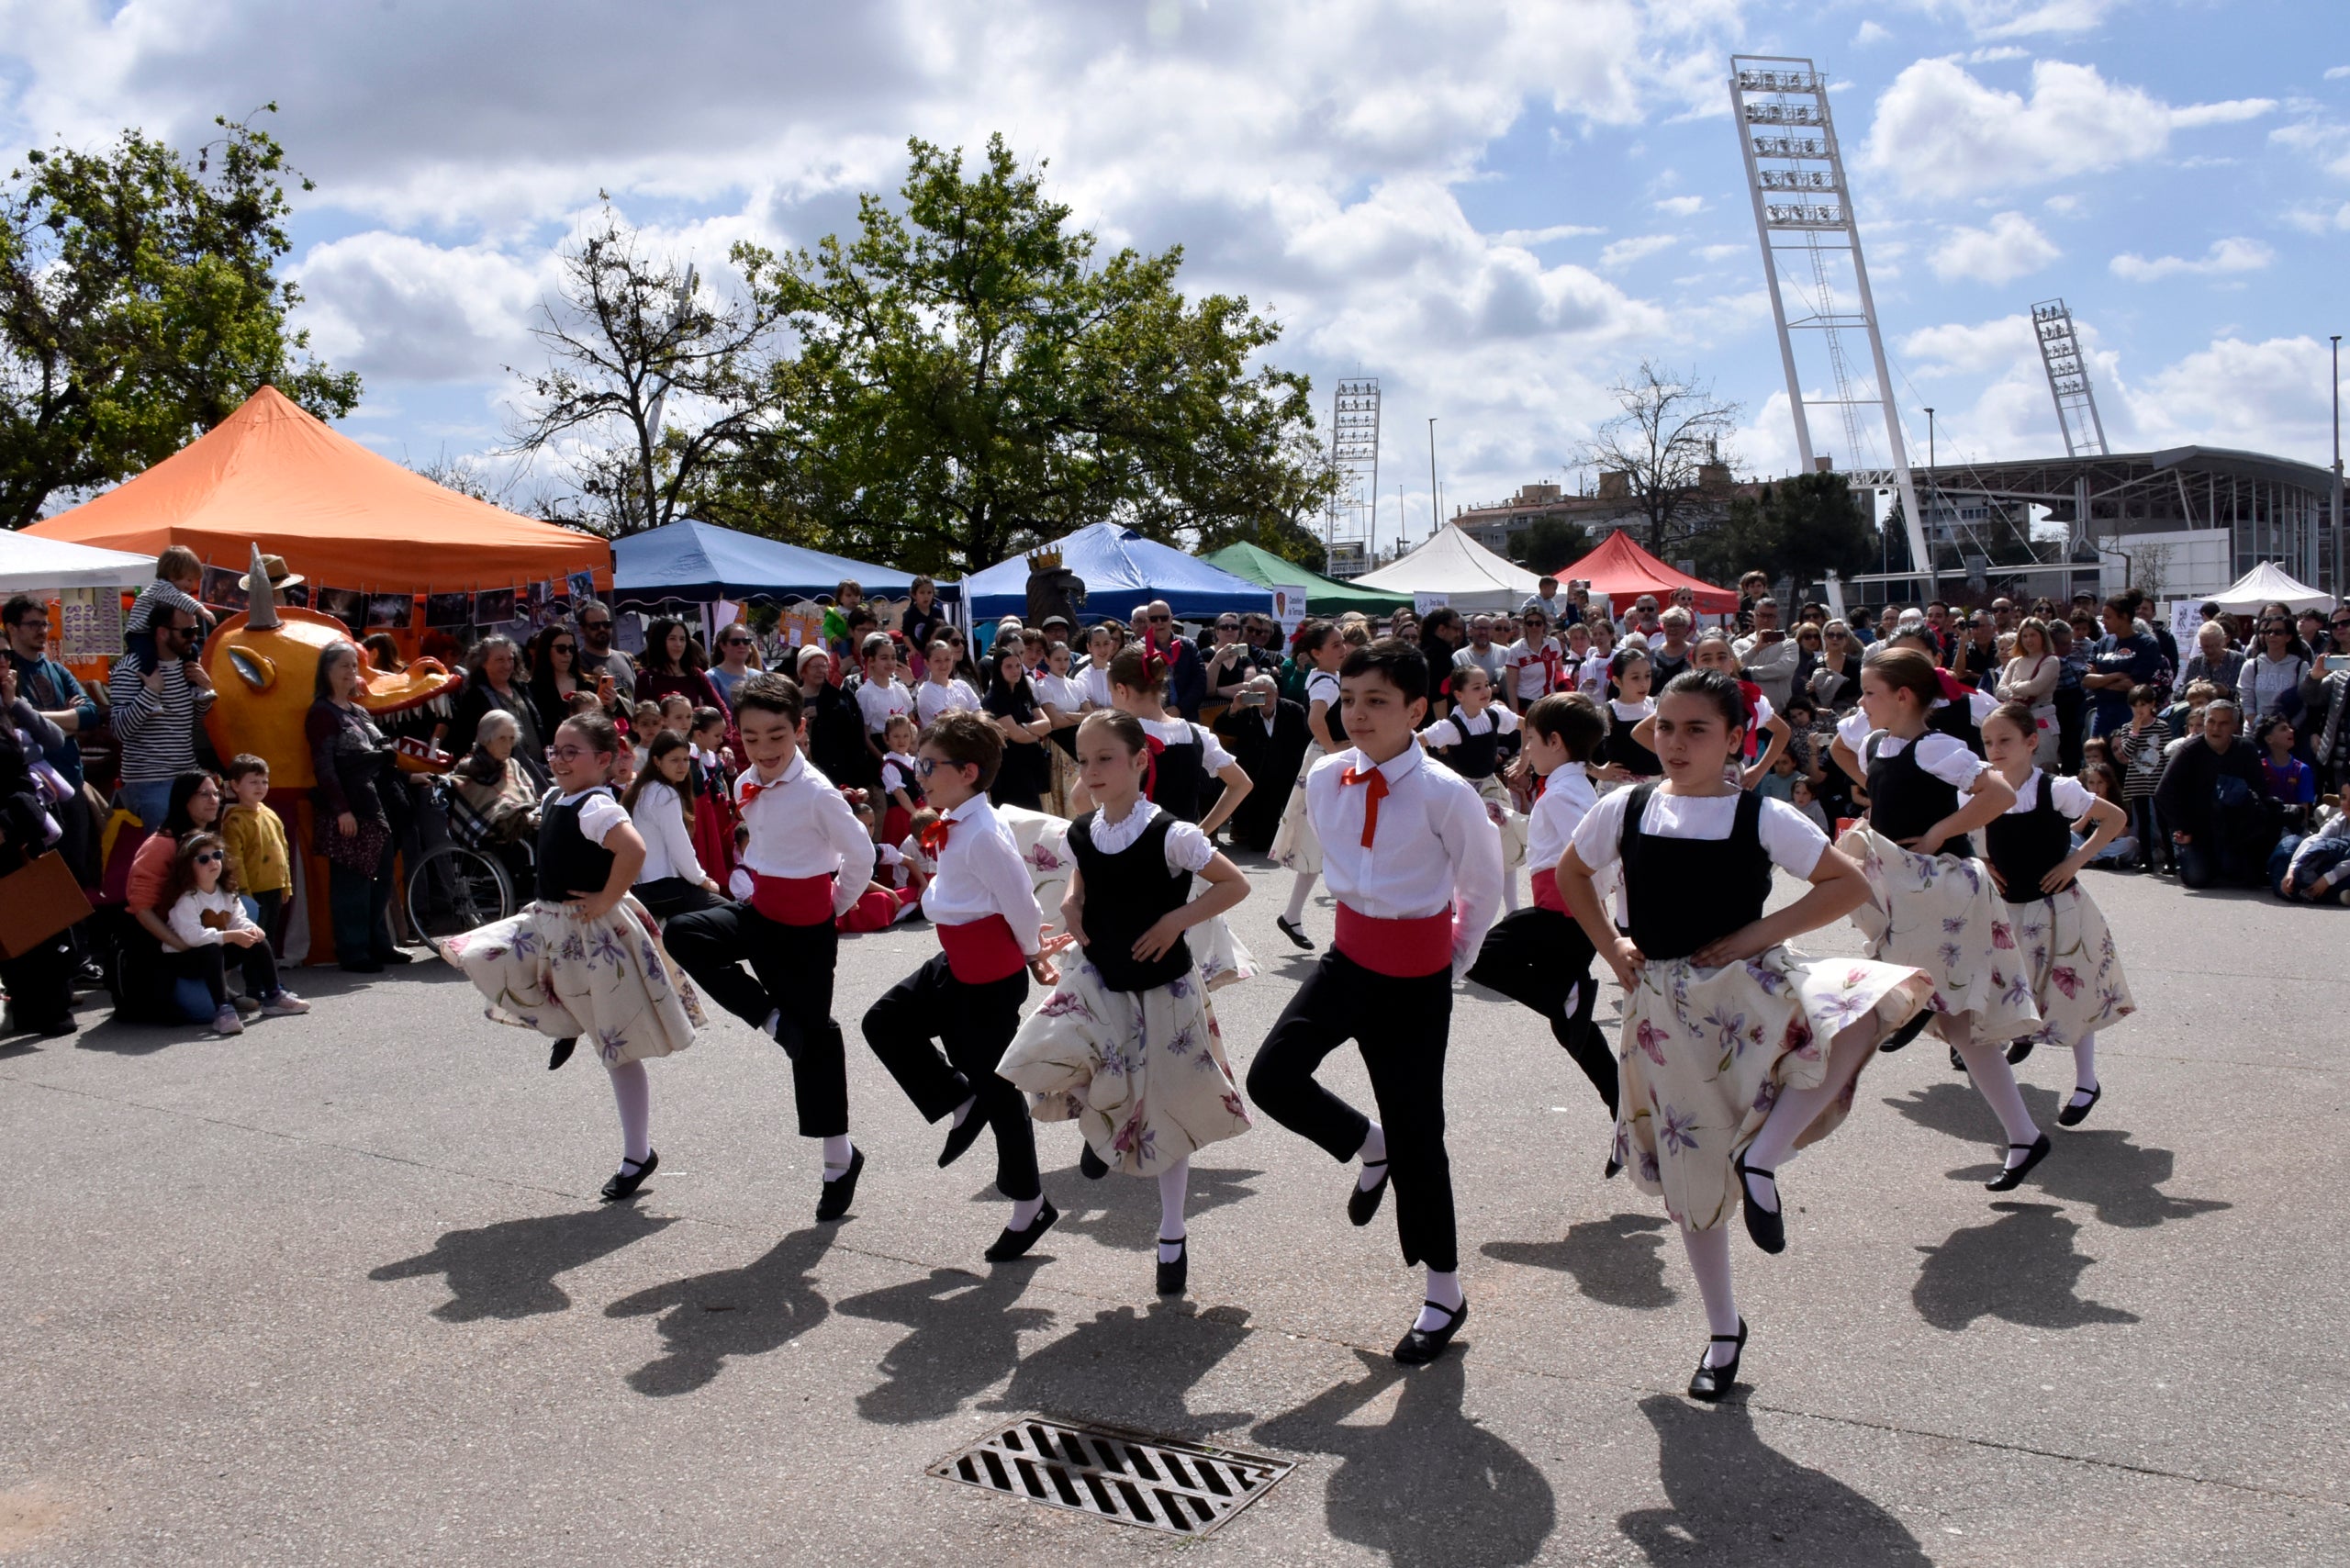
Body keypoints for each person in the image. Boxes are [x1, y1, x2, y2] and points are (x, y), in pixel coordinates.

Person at [1557, 667, 1929, 1401]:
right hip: (1665, 1008)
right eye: (1665, 726)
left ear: (1735, 740)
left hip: (1748, 988)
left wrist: (1756, 934)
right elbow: (1572, 876)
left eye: (1696, 729)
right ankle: (1724, 1332)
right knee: (1694, 1177)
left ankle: (1763, 1156)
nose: (1675, 742)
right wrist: (1614, 947)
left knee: (1865, 1007)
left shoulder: (1760, 814)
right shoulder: (1625, 807)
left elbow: (1847, 886)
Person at [1245, 638, 1502, 1364]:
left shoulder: (1448, 793)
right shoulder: (1326, 777)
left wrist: (1451, 958)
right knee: (1272, 1077)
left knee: (1422, 1133)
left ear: (1418, 710)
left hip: (1416, 979)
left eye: (1377, 702)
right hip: (1346, 959)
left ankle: (1443, 1292)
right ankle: (1367, 1145)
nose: (1357, 715)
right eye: (1349, 700)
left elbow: (1480, 889)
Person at [997, 709, 1254, 1294]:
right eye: (1084, 761)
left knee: (1169, 1110)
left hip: (1163, 987)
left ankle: (1171, 1232)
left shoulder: (1173, 833)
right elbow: (1083, 872)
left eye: (1105, 758)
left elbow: (1235, 883)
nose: (1091, 771)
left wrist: (1175, 921)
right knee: (1041, 1057)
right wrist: (1070, 901)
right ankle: (1102, 1121)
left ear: (1141, 761)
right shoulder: (1084, 827)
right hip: (1095, 975)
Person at [443, 711, 704, 1200]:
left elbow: (633, 850)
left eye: (571, 752)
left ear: (603, 760)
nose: (559, 760)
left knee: (618, 1049)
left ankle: (636, 1154)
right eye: (555, 751)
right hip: (551, 922)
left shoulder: (596, 807)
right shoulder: (556, 796)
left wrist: (605, 900)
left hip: (590, 931)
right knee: (484, 954)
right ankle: (566, 1021)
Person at [1831, 646, 2052, 1188]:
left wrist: (1939, 831)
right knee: (1959, 1026)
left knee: (1871, 1002)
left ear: (1902, 697)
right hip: (1906, 889)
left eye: (1869, 693)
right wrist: (1873, 807)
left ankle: (1772, 1140)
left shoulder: (1936, 747)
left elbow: (1998, 791)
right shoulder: (1880, 742)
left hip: (1940, 891)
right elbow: (1844, 750)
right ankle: (2025, 1136)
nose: (1862, 702)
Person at [662, 673, 878, 1221]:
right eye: (752, 738)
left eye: (776, 736)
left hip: (806, 930)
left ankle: (838, 1160)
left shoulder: (818, 793)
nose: (764, 750)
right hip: (759, 913)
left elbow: (862, 856)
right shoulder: (744, 783)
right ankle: (768, 1018)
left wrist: (832, 905)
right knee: (684, 932)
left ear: (799, 731)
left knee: (816, 1040)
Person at [863, 711, 1070, 1260]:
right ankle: (959, 1097)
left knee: (1000, 1092)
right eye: (918, 762)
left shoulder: (980, 832)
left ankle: (1030, 1205)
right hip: (956, 963)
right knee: (883, 1022)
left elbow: (1021, 901)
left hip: (987, 979)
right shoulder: (955, 819)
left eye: (930, 765)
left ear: (969, 771)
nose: (920, 773)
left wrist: (1032, 956)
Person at [1465, 693, 1615, 1149]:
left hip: (1562, 911)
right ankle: (1625, 1112)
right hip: (1567, 912)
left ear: (1555, 740)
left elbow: (1585, 853)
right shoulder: (1567, 787)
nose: (1526, 750)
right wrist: (1510, 817)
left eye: (1530, 741)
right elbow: (1559, 839)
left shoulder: (1566, 791)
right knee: (1575, 1030)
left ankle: (1566, 995)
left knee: (1477, 955)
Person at [1977, 702, 2132, 1130]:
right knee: (2011, 981)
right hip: (2008, 907)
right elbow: (1965, 830)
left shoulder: (2057, 789)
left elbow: (2115, 818)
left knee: (2072, 991)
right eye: (1988, 741)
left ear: (2031, 742)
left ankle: (2086, 1082)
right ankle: (2020, 1034)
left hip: (2058, 905)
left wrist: (2074, 862)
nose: (1995, 749)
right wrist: (1985, 861)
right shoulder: (1982, 789)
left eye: (2005, 740)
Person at [308, 642, 409, 973]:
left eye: (355, 666)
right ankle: (353, 950)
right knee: (353, 880)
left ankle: (378, 942)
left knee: (380, 878)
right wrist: (342, 810)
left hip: (375, 802)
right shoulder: (322, 712)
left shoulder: (358, 710)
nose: (352, 672)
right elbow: (324, 766)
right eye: (344, 666)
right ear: (327, 671)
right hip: (350, 804)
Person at [162, 830, 307, 1032]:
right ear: (188, 867)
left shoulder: (227, 892)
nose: (213, 862)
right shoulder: (187, 898)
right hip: (185, 958)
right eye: (204, 859)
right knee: (211, 949)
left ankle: (273, 996)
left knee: (256, 940)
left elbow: (238, 920)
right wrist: (230, 936)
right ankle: (223, 1010)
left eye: (217, 856)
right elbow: (191, 937)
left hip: (214, 953)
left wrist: (252, 931)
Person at [1416, 664, 1527, 907]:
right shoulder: (1451, 726)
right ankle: (1452, 906)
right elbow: (1416, 741)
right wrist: (1426, 774)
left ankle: (1512, 909)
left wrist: (1524, 761)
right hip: (1462, 791)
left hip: (1490, 788)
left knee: (1505, 842)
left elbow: (1527, 725)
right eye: (1476, 687)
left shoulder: (1495, 715)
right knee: (1458, 848)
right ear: (1459, 694)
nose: (1485, 690)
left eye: (1486, 684)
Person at [1270, 620, 1348, 949]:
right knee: (1333, 841)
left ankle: (1292, 915)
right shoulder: (1327, 683)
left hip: (1325, 758)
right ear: (1316, 653)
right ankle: (1342, 929)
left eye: (1343, 643)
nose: (1343, 649)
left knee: (1326, 843)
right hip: (1327, 761)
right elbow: (1315, 720)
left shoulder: (1328, 677)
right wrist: (1335, 753)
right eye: (1336, 645)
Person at [0, 698, 75, 1034]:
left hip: (16, 833)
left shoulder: (6, 711)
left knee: (39, 923)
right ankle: (30, 1007)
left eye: (4, 657)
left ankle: (49, 1009)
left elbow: (22, 773)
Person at [109, 599, 216, 827]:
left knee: (195, 853)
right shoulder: (131, 669)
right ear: (162, 633)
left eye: (195, 630)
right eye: (187, 632)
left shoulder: (188, 666)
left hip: (186, 776)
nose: (194, 638)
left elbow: (189, 726)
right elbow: (119, 730)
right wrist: (150, 693)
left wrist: (205, 692)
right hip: (150, 780)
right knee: (167, 855)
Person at [2154, 700, 2274, 889]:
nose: (2215, 728)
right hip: (2197, 829)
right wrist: (2182, 828)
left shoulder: (2246, 749)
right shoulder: (2189, 751)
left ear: (2235, 726)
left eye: (2223, 723)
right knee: (2196, 878)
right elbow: (2163, 792)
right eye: (2211, 721)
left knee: (2245, 877)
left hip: (2235, 829)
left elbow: (2260, 791)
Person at [623, 731, 724, 921]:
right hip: (669, 888)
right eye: (674, 760)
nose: (682, 766)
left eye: (686, 759)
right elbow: (680, 847)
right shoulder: (665, 794)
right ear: (657, 761)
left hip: (645, 889)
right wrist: (702, 881)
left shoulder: (642, 789)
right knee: (729, 915)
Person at [1214, 673, 1310, 856]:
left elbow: (1305, 739)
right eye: (1259, 696)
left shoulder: (1294, 711)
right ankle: (1253, 829)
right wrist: (1234, 707)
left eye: (1269, 695)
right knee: (1260, 843)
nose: (1265, 700)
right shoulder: (1246, 712)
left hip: (1287, 774)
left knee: (1296, 830)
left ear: (1276, 694)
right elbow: (1222, 726)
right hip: (1258, 779)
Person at [447, 635, 548, 789]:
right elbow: (463, 742)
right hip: (500, 779)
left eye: (510, 659)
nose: (507, 665)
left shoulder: (522, 689)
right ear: (483, 663)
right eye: (500, 660)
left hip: (536, 772)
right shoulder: (475, 698)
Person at [218, 755, 292, 949]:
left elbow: (283, 848)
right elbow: (234, 860)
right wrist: (245, 893)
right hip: (254, 890)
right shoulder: (234, 821)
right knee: (254, 937)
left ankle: (269, 976)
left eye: (264, 781)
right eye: (253, 782)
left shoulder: (270, 814)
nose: (260, 787)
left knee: (270, 934)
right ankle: (256, 978)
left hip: (275, 886)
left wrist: (286, 884)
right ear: (235, 785)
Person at [980, 644, 1052, 810]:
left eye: (1018, 665)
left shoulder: (1024, 692)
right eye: (1009, 666)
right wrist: (1034, 732)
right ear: (999, 669)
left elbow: (1047, 724)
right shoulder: (994, 699)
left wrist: (1025, 726)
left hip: (1031, 762)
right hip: (1010, 768)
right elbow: (1016, 735)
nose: (1015, 670)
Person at [2084, 595, 2162, 739]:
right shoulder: (2102, 643)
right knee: (2098, 755)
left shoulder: (2146, 644)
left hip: (2130, 713)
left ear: (2124, 617)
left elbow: (2132, 684)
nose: (2103, 621)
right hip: (2103, 713)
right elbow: (2087, 680)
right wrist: (2117, 676)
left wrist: (2099, 682)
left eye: (2108, 617)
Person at [2114, 685, 2172, 874]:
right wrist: (2135, 730)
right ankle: (2146, 859)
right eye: (2135, 705)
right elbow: (2127, 752)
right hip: (2138, 779)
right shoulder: (2127, 728)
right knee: (2143, 822)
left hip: (2158, 780)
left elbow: (2166, 755)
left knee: (2163, 822)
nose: (2139, 710)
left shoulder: (2161, 726)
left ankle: (2171, 860)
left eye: (2144, 704)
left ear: (2152, 704)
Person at [637, 617, 730, 725]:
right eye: (672, 638)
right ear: (660, 641)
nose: (678, 644)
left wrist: (724, 738)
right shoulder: (646, 677)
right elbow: (641, 719)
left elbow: (722, 710)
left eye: (682, 639)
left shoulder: (695, 674)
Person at [2001, 618, 2062, 769]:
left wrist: (2014, 686)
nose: (2029, 640)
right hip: (2017, 721)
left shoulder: (2051, 661)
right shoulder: (2015, 662)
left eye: (2033, 635)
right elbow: (2000, 689)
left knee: (2044, 768)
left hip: (2041, 720)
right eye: (2025, 636)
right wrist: (2017, 692)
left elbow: (2035, 687)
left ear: (2042, 636)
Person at [855, 631, 912, 786]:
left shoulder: (900, 688)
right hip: (881, 753)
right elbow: (865, 735)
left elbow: (911, 720)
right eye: (884, 658)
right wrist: (886, 760)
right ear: (872, 661)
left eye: (893, 658)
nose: (890, 663)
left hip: (904, 751)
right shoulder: (866, 693)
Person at [1599, 648, 1662, 781]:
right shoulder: (1608, 712)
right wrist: (1598, 772)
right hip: (1619, 790)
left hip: (1656, 787)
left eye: (1647, 676)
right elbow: (1574, 750)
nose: (1644, 683)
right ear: (1617, 681)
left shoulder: (1659, 706)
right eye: (1635, 678)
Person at [2277, 794, 2350, 904]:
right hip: (2324, 867)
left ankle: (2312, 894)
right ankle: (2303, 891)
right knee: (2291, 843)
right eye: (2343, 798)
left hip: (2340, 872)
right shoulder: (2341, 818)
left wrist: (2328, 879)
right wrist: (2292, 869)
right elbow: (2315, 839)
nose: (2346, 803)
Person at [1732, 598, 1799, 711]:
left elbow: (1782, 670)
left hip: (1780, 711)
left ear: (1777, 619)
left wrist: (1747, 672)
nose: (1765, 620)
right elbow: (1735, 668)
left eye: (1771, 616)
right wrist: (1756, 649)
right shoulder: (1740, 644)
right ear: (1754, 616)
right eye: (1761, 615)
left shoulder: (1789, 644)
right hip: (1749, 712)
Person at [2241, 615, 2311, 722]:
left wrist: (2288, 729)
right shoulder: (2251, 666)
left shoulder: (2301, 666)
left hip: (2289, 730)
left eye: (2278, 632)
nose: (2272, 635)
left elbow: (2305, 703)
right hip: (2255, 729)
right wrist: (2258, 727)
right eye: (2268, 632)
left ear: (2288, 637)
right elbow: (2246, 702)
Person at [571, 601, 636, 712]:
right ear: (582, 629)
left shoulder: (624, 658)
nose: (602, 629)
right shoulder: (577, 662)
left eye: (607, 624)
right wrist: (594, 682)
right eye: (595, 626)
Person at [1503, 604, 1560, 714]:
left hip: (1549, 702)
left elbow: (1558, 671)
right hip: (1526, 704)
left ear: (1544, 625)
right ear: (1525, 625)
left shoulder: (1553, 644)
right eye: (1530, 623)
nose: (1534, 627)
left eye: (1538, 623)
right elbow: (1511, 685)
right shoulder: (1516, 649)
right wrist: (1515, 712)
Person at [915, 636, 983, 728]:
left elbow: (979, 714)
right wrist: (971, 717)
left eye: (947, 659)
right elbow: (949, 722)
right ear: (927, 663)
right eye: (937, 661)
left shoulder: (962, 685)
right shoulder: (927, 691)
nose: (943, 665)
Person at [2177, 621, 2245, 700]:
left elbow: (2246, 696)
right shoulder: (2195, 663)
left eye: (2214, 646)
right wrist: (2190, 686)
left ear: (2223, 641)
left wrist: (2227, 692)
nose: (2210, 650)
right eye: (2205, 646)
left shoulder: (2237, 660)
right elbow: (2177, 695)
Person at [707, 622, 761, 710]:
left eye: (746, 641)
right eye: (735, 642)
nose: (741, 645)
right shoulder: (712, 678)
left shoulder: (759, 677)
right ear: (723, 646)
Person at [901, 576, 946, 655]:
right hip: (917, 653)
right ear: (914, 595)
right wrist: (912, 649)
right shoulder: (910, 613)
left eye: (929, 593)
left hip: (935, 651)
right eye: (922, 593)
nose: (926, 596)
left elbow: (943, 631)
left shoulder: (937, 611)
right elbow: (906, 635)